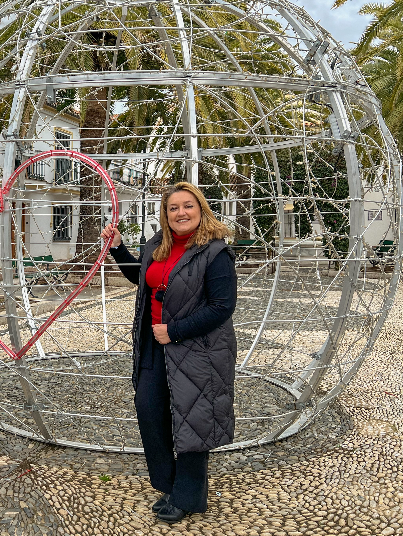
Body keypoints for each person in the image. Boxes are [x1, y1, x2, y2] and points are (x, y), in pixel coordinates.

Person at [100, 181, 237, 523]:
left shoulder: (214, 251)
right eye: (173, 208)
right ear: (165, 213)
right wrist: (118, 248)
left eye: (188, 206)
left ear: (201, 209)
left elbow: (222, 307)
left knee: (194, 420)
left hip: (198, 349)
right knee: (149, 410)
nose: (181, 213)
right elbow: (142, 278)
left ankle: (187, 496)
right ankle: (170, 484)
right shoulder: (157, 244)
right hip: (154, 345)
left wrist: (174, 331)